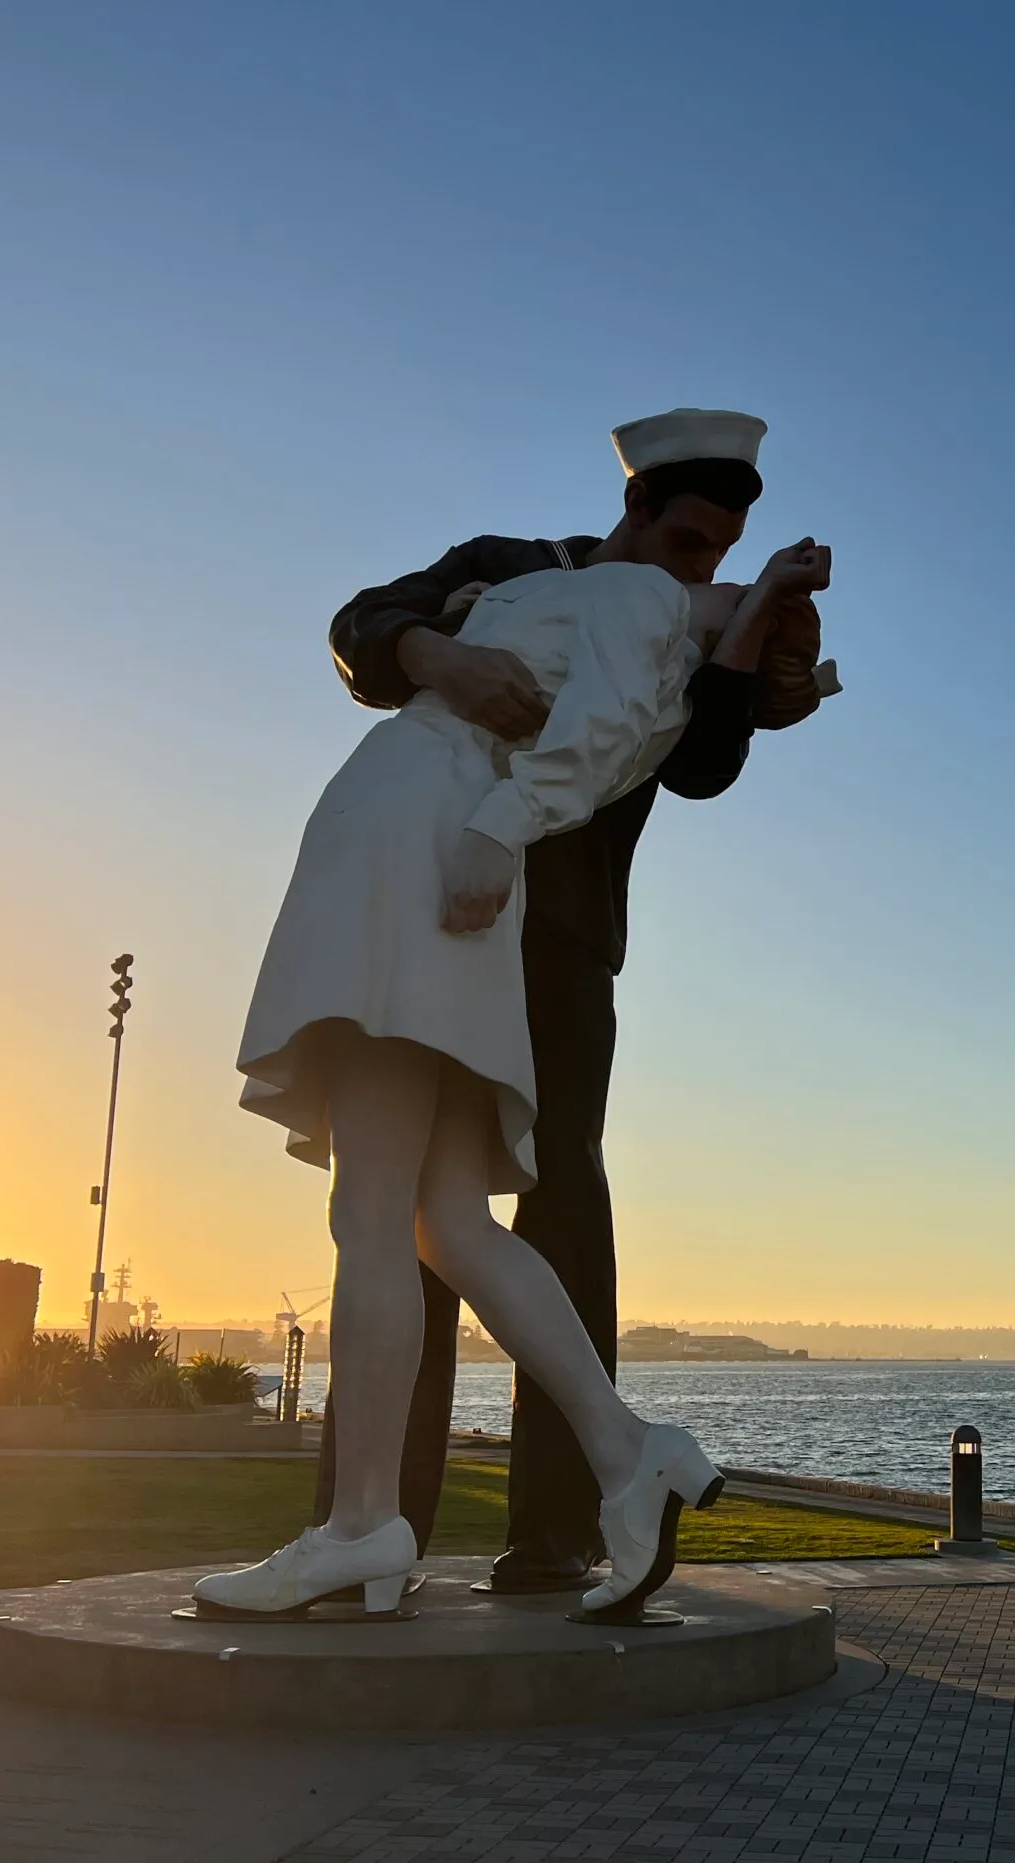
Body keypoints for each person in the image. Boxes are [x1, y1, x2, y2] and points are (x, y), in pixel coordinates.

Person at [204, 529, 832, 1620]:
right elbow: (378, 629)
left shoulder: (638, 600)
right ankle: (630, 1449)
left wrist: (497, 809)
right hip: (452, 842)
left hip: (417, 829)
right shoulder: (639, 629)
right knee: (444, 1220)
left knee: (374, 1207)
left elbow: (619, 734)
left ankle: (361, 1526)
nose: (713, 571)